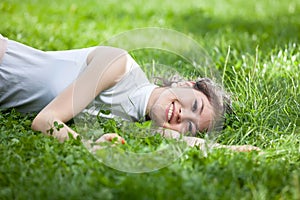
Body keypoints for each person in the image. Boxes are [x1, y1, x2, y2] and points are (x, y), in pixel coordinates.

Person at [0, 34, 259, 152]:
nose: (182, 116)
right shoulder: (119, 65)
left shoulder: (133, 125)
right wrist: (90, 146)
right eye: (195, 107)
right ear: (187, 84)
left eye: (190, 126)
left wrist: (230, 150)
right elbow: (45, 121)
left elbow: (179, 142)